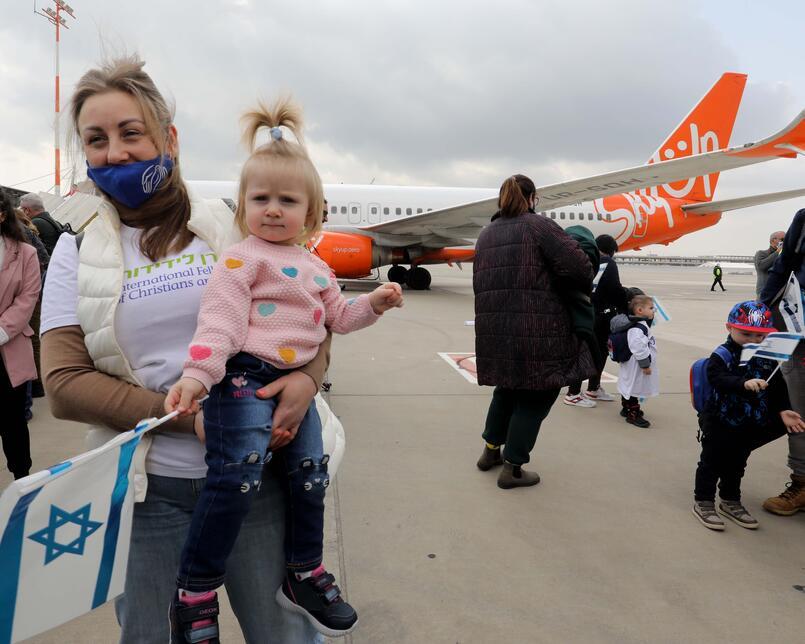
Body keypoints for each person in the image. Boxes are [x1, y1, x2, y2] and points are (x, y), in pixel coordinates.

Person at [41, 56, 333, 643]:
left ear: (167, 138)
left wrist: (308, 379)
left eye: (131, 132)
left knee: (285, 632)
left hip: (258, 481)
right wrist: (184, 419)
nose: (116, 152)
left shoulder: (232, 226)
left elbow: (310, 315)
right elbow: (64, 384)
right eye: (96, 140)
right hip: (153, 493)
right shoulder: (76, 252)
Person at [164, 99, 403, 639]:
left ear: (313, 213)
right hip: (243, 377)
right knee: (238, 474)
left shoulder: (317, 267)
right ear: (242, 207)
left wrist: (376, 306)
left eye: (287, 200)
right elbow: (219, 326)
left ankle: (304, 570)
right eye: (260, 198)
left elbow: (339, 320)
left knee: (310, 474)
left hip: (294, 385)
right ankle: (196, 591)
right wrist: (197, 378)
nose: (273, 209)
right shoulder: (240, 260)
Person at [474, 174, 595, 488]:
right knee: (536, 396)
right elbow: (580, 269)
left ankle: (490, 451)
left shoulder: (487, 233)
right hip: (538, 330)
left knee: (506, 389)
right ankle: (513, 468)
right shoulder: (538, 227)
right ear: (533, 198)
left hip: (496, 331)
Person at [692, 301, 805, 530]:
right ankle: (703, 501)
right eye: (745, 333)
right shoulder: (723, 354)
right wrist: (743, 383)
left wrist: (783, 409)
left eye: (760, 335)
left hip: (748, 422)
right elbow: (718, 378)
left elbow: (777, 385)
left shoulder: (766, 356)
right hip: (719, 420)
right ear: (729, 328)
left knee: (737, 463)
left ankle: (730, 500)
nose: (753, 339)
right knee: (711, 462)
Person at [760, 208, 805, 515]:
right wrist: (761, 308)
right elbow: (784, 264)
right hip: (798, 329)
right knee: (798, 406)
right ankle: (801, 483)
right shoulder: (803, 218)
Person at [0, 189, 41, 479]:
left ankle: (22, 480)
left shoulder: (25, 253)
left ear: (2, 215)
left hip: (8, 346)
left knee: (12, 421)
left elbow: (28, 298)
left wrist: (2, 330)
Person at [564, 234, 627, 407]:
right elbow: (615, 289)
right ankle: (574, 392)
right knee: (596, 353)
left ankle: (592, 388)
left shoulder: (584, 259)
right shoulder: (609, 262)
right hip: (599, 315)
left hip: (582, 312)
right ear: (611, 250)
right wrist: (627, 303)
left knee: (587, 351)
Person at [15, 207, 49, 408]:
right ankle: (34, 386)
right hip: (33, 291)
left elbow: (41, 258)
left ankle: (33, 386)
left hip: (28, 293)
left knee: (28, 339)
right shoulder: (29, 229)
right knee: (32, 338)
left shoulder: (20, 234)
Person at [609, 295, 658, 428]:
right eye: (651, 308)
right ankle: (633, 413)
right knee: (634, 388)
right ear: (640, 311)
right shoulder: (637, 328)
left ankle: (626, 408)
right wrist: (645, 365)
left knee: (628, 385)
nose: (654, 311)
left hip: (632, 363)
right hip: (636, 365)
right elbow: (638, 348)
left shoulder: (639, 325)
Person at [754, 230, 785, 297]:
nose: (784, 242)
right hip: (764, 291)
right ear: (772, 241)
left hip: (780, 292)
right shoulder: (761, 253)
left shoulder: (784, 255)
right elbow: (761, 266)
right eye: (782, 239)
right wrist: (777, 252)